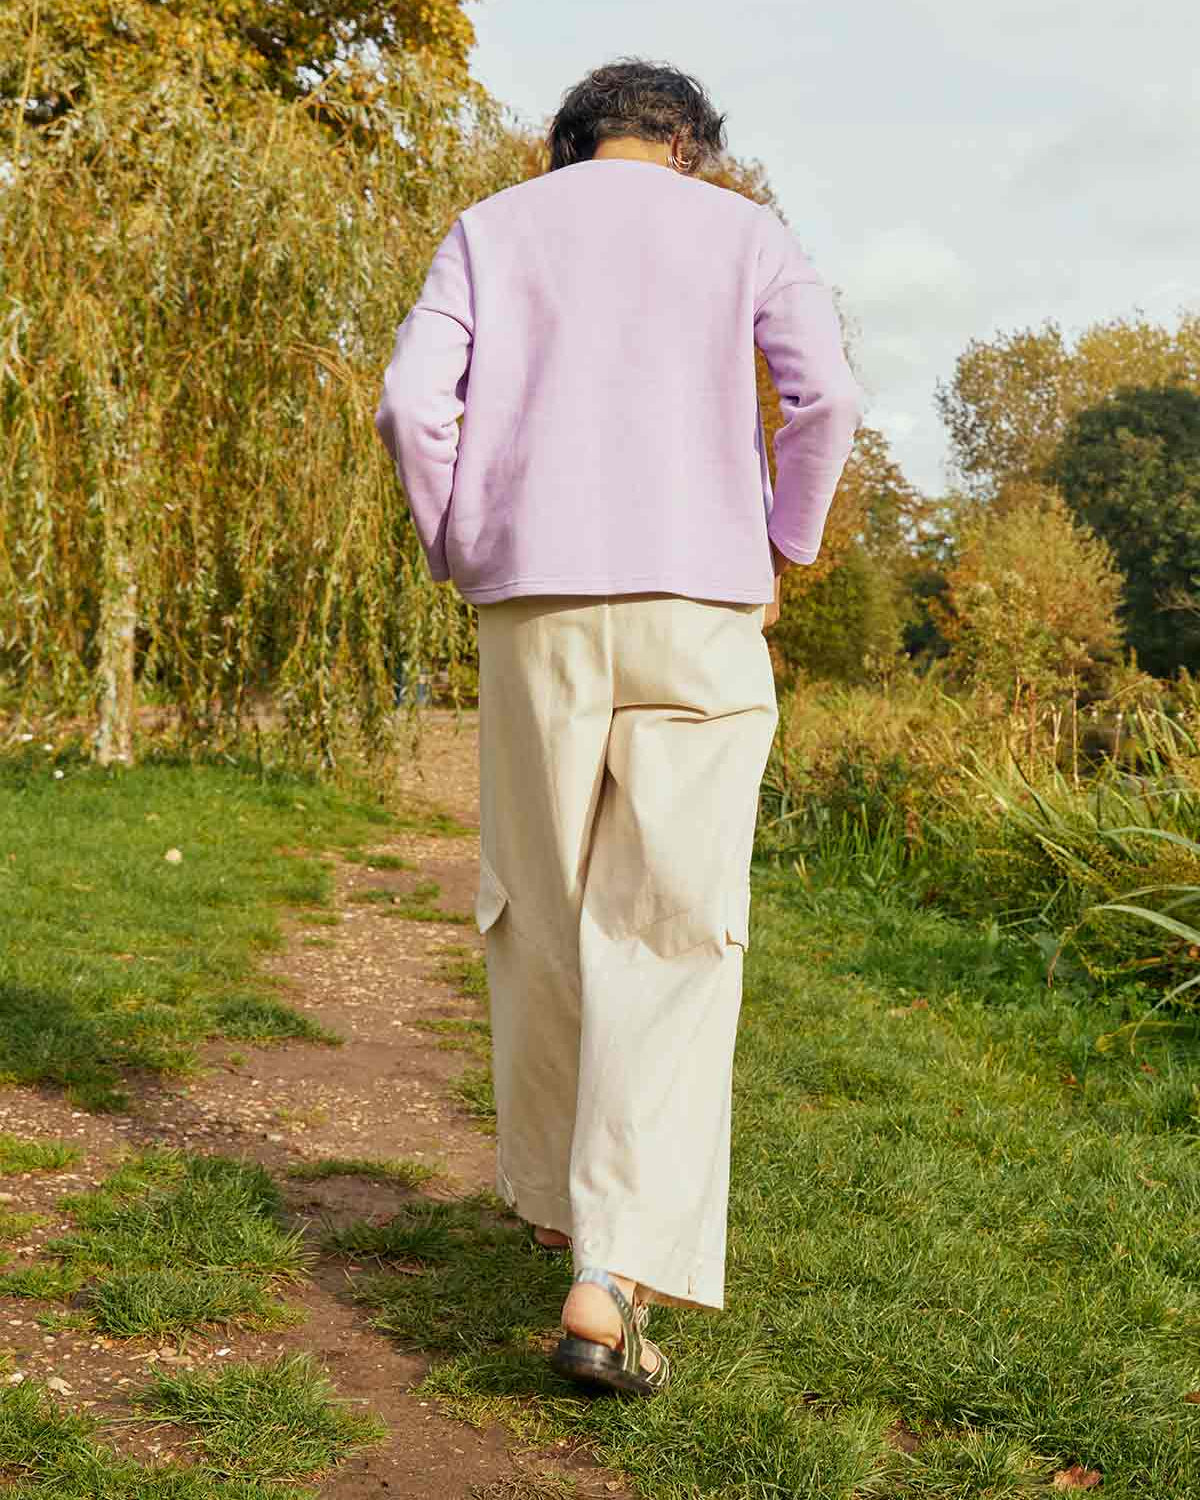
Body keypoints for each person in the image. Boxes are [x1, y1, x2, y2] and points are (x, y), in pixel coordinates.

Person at [374, 57, 864, 1397]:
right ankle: (612, 1270)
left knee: (540, 901)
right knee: (674, 927)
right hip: (702, 605)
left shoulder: (491, 229)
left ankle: (553, 1202)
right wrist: (781, 549)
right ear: (689, 148)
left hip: (535, 605)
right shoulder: (749, 230)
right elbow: (825, 401)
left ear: (566, 146)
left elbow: (412, 406)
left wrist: (469, 543)